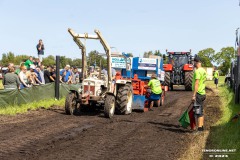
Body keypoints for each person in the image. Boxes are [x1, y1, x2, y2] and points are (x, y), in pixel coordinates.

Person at [191, 56, 206, 133]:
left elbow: (197, 83)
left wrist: (194, 95)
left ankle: (199, 129)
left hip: (198, 94)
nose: (193, 63)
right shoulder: (203, 70)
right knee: (201, 111)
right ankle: (202, 127)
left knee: (198, 112)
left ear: (196, 62)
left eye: (194, 62)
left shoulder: (197, 71)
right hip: (203, 93)